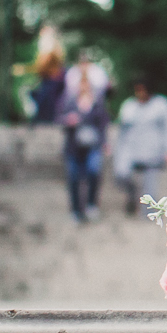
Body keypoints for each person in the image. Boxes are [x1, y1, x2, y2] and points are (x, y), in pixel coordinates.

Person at [114, 76, 167, 214]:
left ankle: (148, 217)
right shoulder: (128, 106)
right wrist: (117, 151)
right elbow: (121, 131)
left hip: (153, 153)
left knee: (150, 191)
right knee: (122, 175)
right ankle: (132, 196)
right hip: (131, 151)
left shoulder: (162, 105)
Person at [58, 72, 109, 224]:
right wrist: (68, 121)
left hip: (92, 146)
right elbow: (59, 119)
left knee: (94, 171)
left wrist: (105, 142)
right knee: (73, 178)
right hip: (73, 147)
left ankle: (91, 204)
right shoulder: (69, 102)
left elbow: (103, 124)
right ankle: (75, 210)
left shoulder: (97, 103)